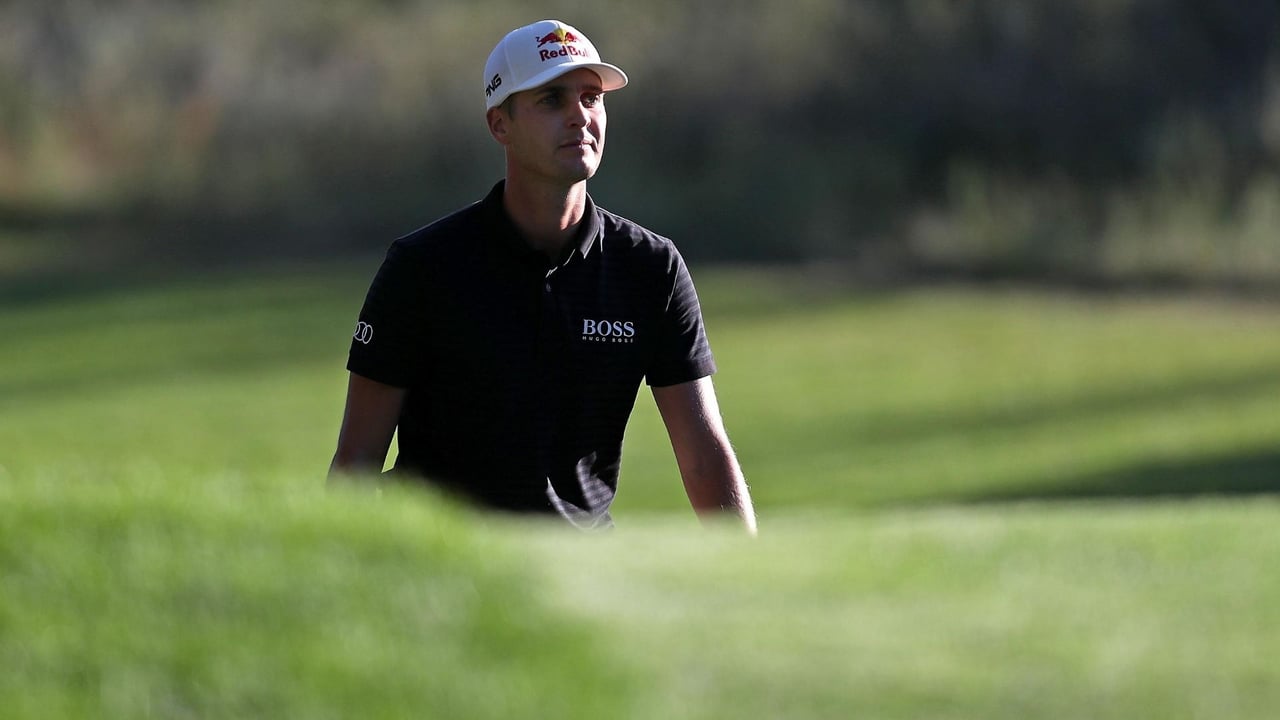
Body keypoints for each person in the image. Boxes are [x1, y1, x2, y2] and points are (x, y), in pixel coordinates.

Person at [329, 19, 756, 533]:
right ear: (499, 125)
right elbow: (356, 463)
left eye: (591, 98)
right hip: (443, 557)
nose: (580, 116)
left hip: (579, 564)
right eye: (552, 100)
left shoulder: (650, 267)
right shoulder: (422, 267)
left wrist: (751, 575)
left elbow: (704, 457)